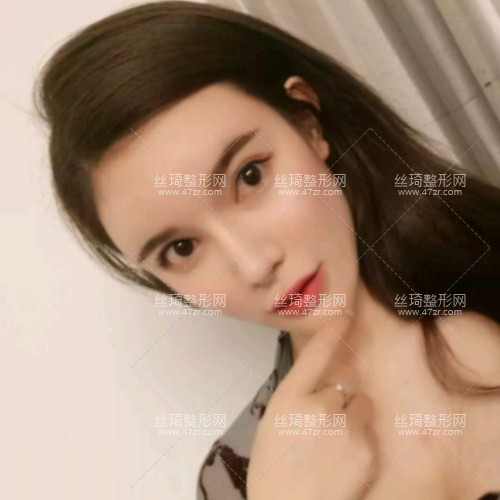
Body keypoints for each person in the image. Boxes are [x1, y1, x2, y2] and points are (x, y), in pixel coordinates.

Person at [32, 1, 500, 498]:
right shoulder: (238, 480)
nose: (255, 265)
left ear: (308, 125)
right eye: (181, 248)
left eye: (250, 176)